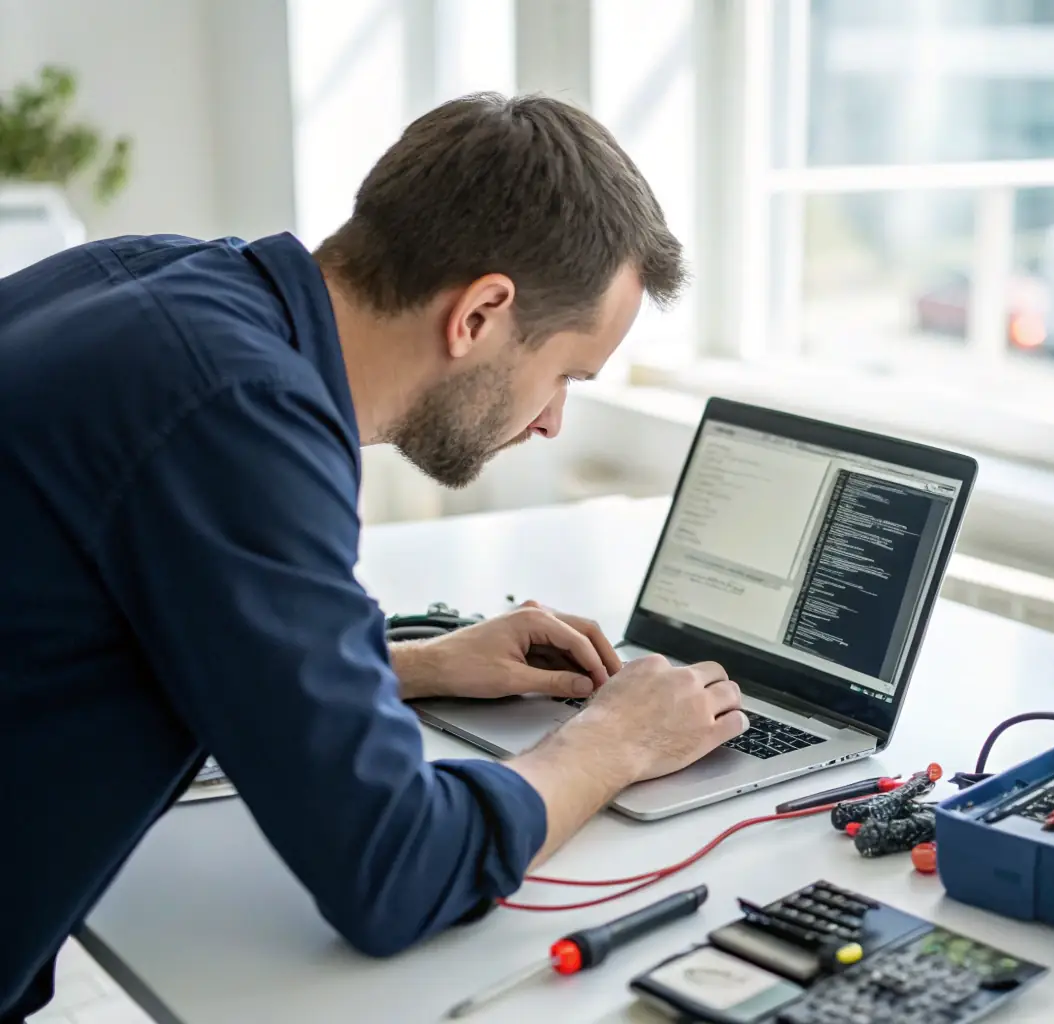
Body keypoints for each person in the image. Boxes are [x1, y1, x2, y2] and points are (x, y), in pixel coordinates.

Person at [0, 92, 748, 1021]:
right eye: (564, 374)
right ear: (479, 313)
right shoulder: (241, 414)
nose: (554, 420)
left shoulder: (141, 280)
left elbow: (109, 621)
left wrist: (409, 666)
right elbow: (395, 872)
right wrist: (614, 741)